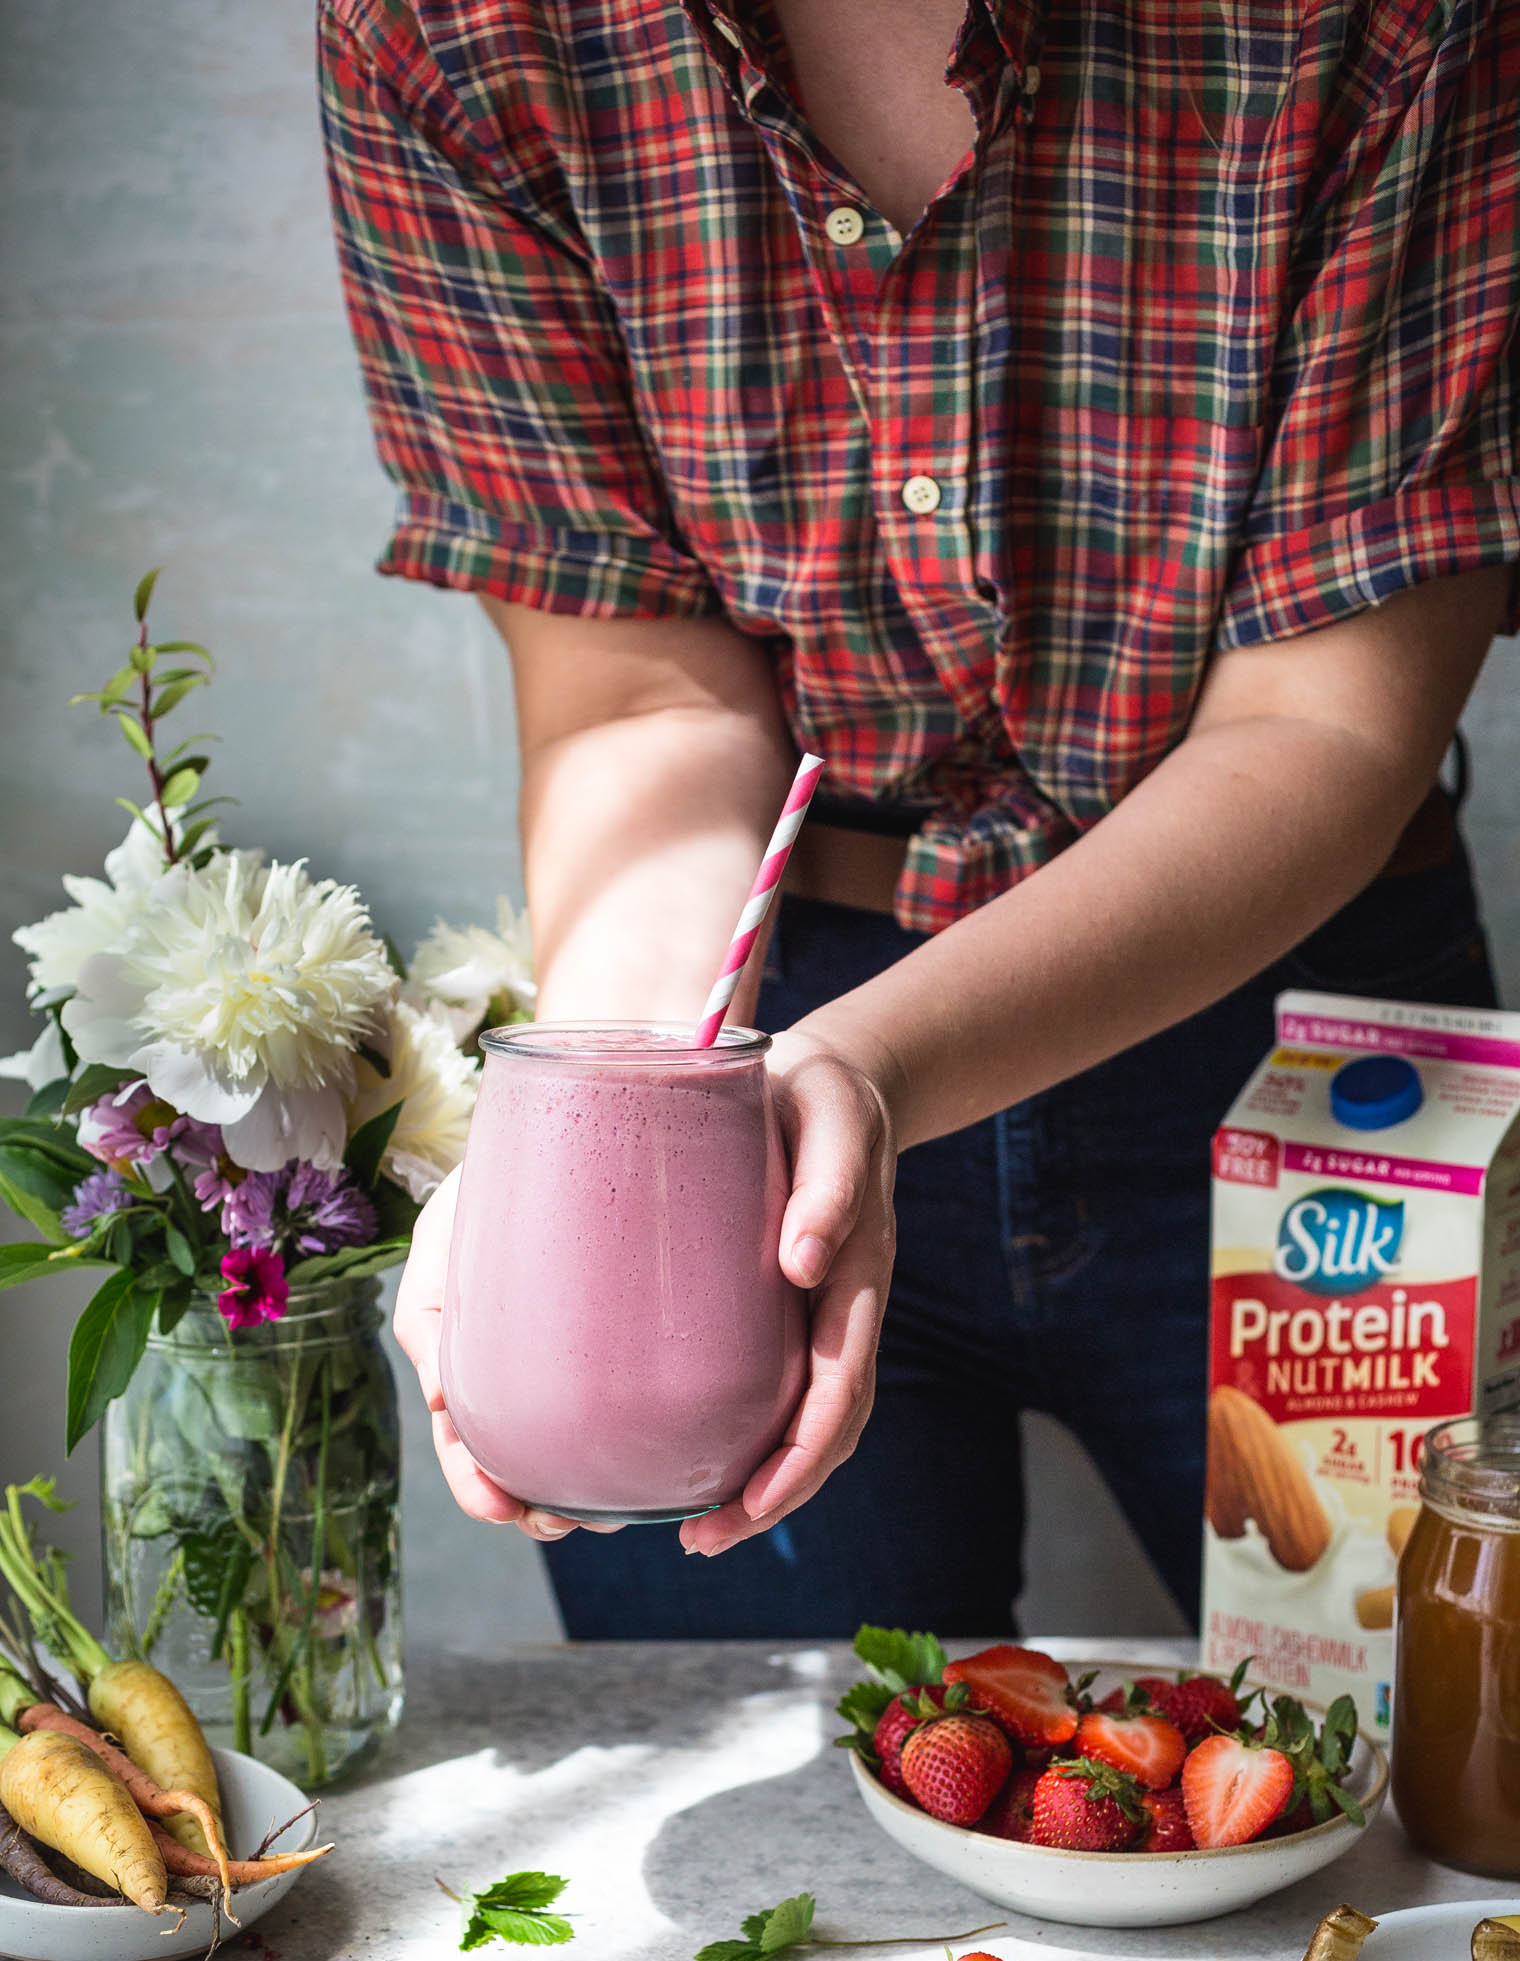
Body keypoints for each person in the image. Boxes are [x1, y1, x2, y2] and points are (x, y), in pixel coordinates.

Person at [319, 0, 1519, 1639]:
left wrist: (873, 1070)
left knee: (1419, 1803)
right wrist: (610, 1128)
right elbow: (647, 703)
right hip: (767, 1018)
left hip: (1314, 1040)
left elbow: (1327, 726)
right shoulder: (452, 27)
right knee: (763, 1842)